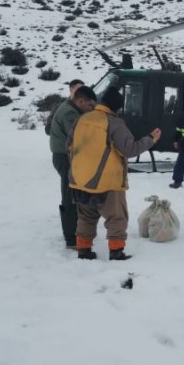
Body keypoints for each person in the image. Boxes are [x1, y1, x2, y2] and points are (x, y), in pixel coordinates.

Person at [68, 87, 161, 260]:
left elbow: (69, 145)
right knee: (117, 217)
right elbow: (129, 149)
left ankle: (84, 250)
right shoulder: (114, 122)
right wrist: (151, 139)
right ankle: (116, 252)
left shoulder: (82, 119)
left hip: (79, 179)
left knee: (86, 216)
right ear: (116, 107)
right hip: (106, 181)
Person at [49, 85, 96, 249]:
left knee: (71, 194)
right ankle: (71, 238)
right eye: (89, 106)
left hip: (64, 156)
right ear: (81, 100)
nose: (91, 109)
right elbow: (77, 137)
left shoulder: (68, 106)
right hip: (65, 158)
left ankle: (73, 233)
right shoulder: (70, 113)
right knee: (70, 196)